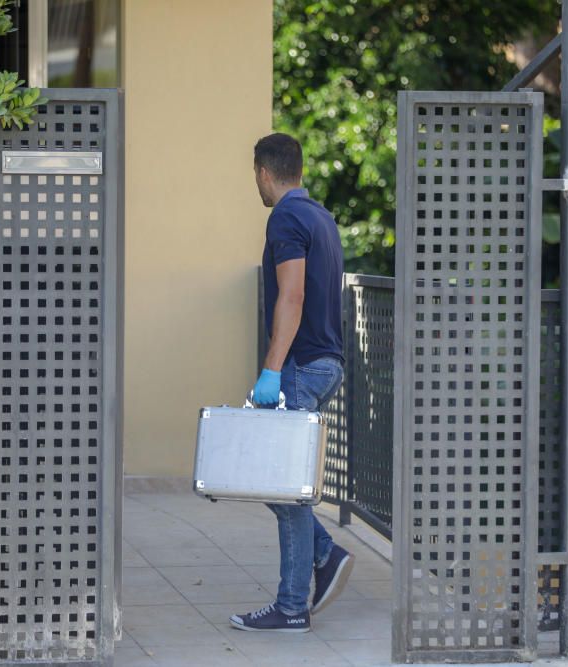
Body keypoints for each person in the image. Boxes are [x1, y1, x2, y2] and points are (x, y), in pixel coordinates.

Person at [229, 133, 355, 633]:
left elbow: (293, 295)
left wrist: (271, 369)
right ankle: (324, 555)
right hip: (327, 362)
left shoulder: (283, 217)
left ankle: (291, 605)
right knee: (277, 479)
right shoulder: (321, 217)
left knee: (283, 485)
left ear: (264, 172)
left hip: (300, 366)